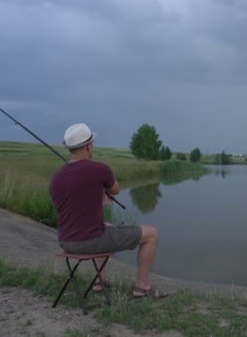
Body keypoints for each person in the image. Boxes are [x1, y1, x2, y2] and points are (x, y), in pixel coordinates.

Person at [49, 123, 167, 299]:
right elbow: (116, 189)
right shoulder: (99, 169)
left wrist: (98, 199)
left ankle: (100, 282)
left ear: (70, 149)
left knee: (105, 226)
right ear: (88, 146)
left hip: (66, 242)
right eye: (92, 144)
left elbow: (74, 208)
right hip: (90, 242)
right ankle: (142, 287)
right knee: (152, 234)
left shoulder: (56, 178)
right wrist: (105, 193)